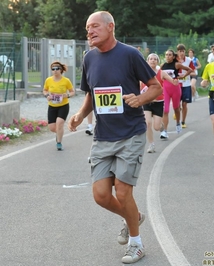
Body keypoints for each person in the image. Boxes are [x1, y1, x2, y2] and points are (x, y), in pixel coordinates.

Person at [68, 11, 162, 264]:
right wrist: (79, 115)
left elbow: (156, 87)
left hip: (131, 134)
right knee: (100, 195)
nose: (89, 31)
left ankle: (136, 244)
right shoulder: (88, 58)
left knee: (122, 192)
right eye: (87, 27)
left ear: (111, 27)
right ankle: (134, 215)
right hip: (103, 136)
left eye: (95, 26)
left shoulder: (130, 54)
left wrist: (140, 99)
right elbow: (91, 93)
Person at [141, 53, 177, 153]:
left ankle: (161, 125)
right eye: (151, 59)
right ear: (147, 61)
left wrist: (175, 82)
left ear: (157, 61)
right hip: (147, 101)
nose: (153, 60)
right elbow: (138, 84)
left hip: (158, 102)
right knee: (147, 123)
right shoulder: (142, 72)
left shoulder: (161, 73)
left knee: (156, 127)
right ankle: (151, 144)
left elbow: (172, 81)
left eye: (155, 59)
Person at [160, 49, 192, 139]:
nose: (167, 56)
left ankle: (178, 123)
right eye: (166, 55)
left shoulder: (176, 64)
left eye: (170, 55)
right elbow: (158, 75)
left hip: (175, 88)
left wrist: (183, 75)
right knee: (165, 110)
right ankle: (164, 131)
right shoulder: (162, 66)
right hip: (165, 89)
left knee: (176, 108)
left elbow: (189, 70)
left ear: (173, 56)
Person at [43, 61, 75, 150]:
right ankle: (59, 133)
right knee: (52, 128)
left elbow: (72, 92)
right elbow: (45, 90)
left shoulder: (66, 81)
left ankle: (59, 143)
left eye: (57, 68)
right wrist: (47, 95)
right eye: (53, 69)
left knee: (59, 123)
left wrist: (67, 95)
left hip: (63, 105)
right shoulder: (48, 80)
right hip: (52, 106)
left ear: (61, 70)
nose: (55, 70)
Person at [177, 44, 195, 128]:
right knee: (177, 104)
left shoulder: (188, 60)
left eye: (183, 51)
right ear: (177, 52)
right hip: (177, 84)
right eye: (180, 51)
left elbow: (194, 72)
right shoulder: (175, 60)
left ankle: (183, 121)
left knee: (184, 104)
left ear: (185, 52)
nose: (181, 53)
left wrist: (186, 74)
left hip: (186, 84)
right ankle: (176, 111)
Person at [83, 38, 94, 135]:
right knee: (89, 103)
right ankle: (90, 125)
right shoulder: (86, 54)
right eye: (89, 40)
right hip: (90, 83)